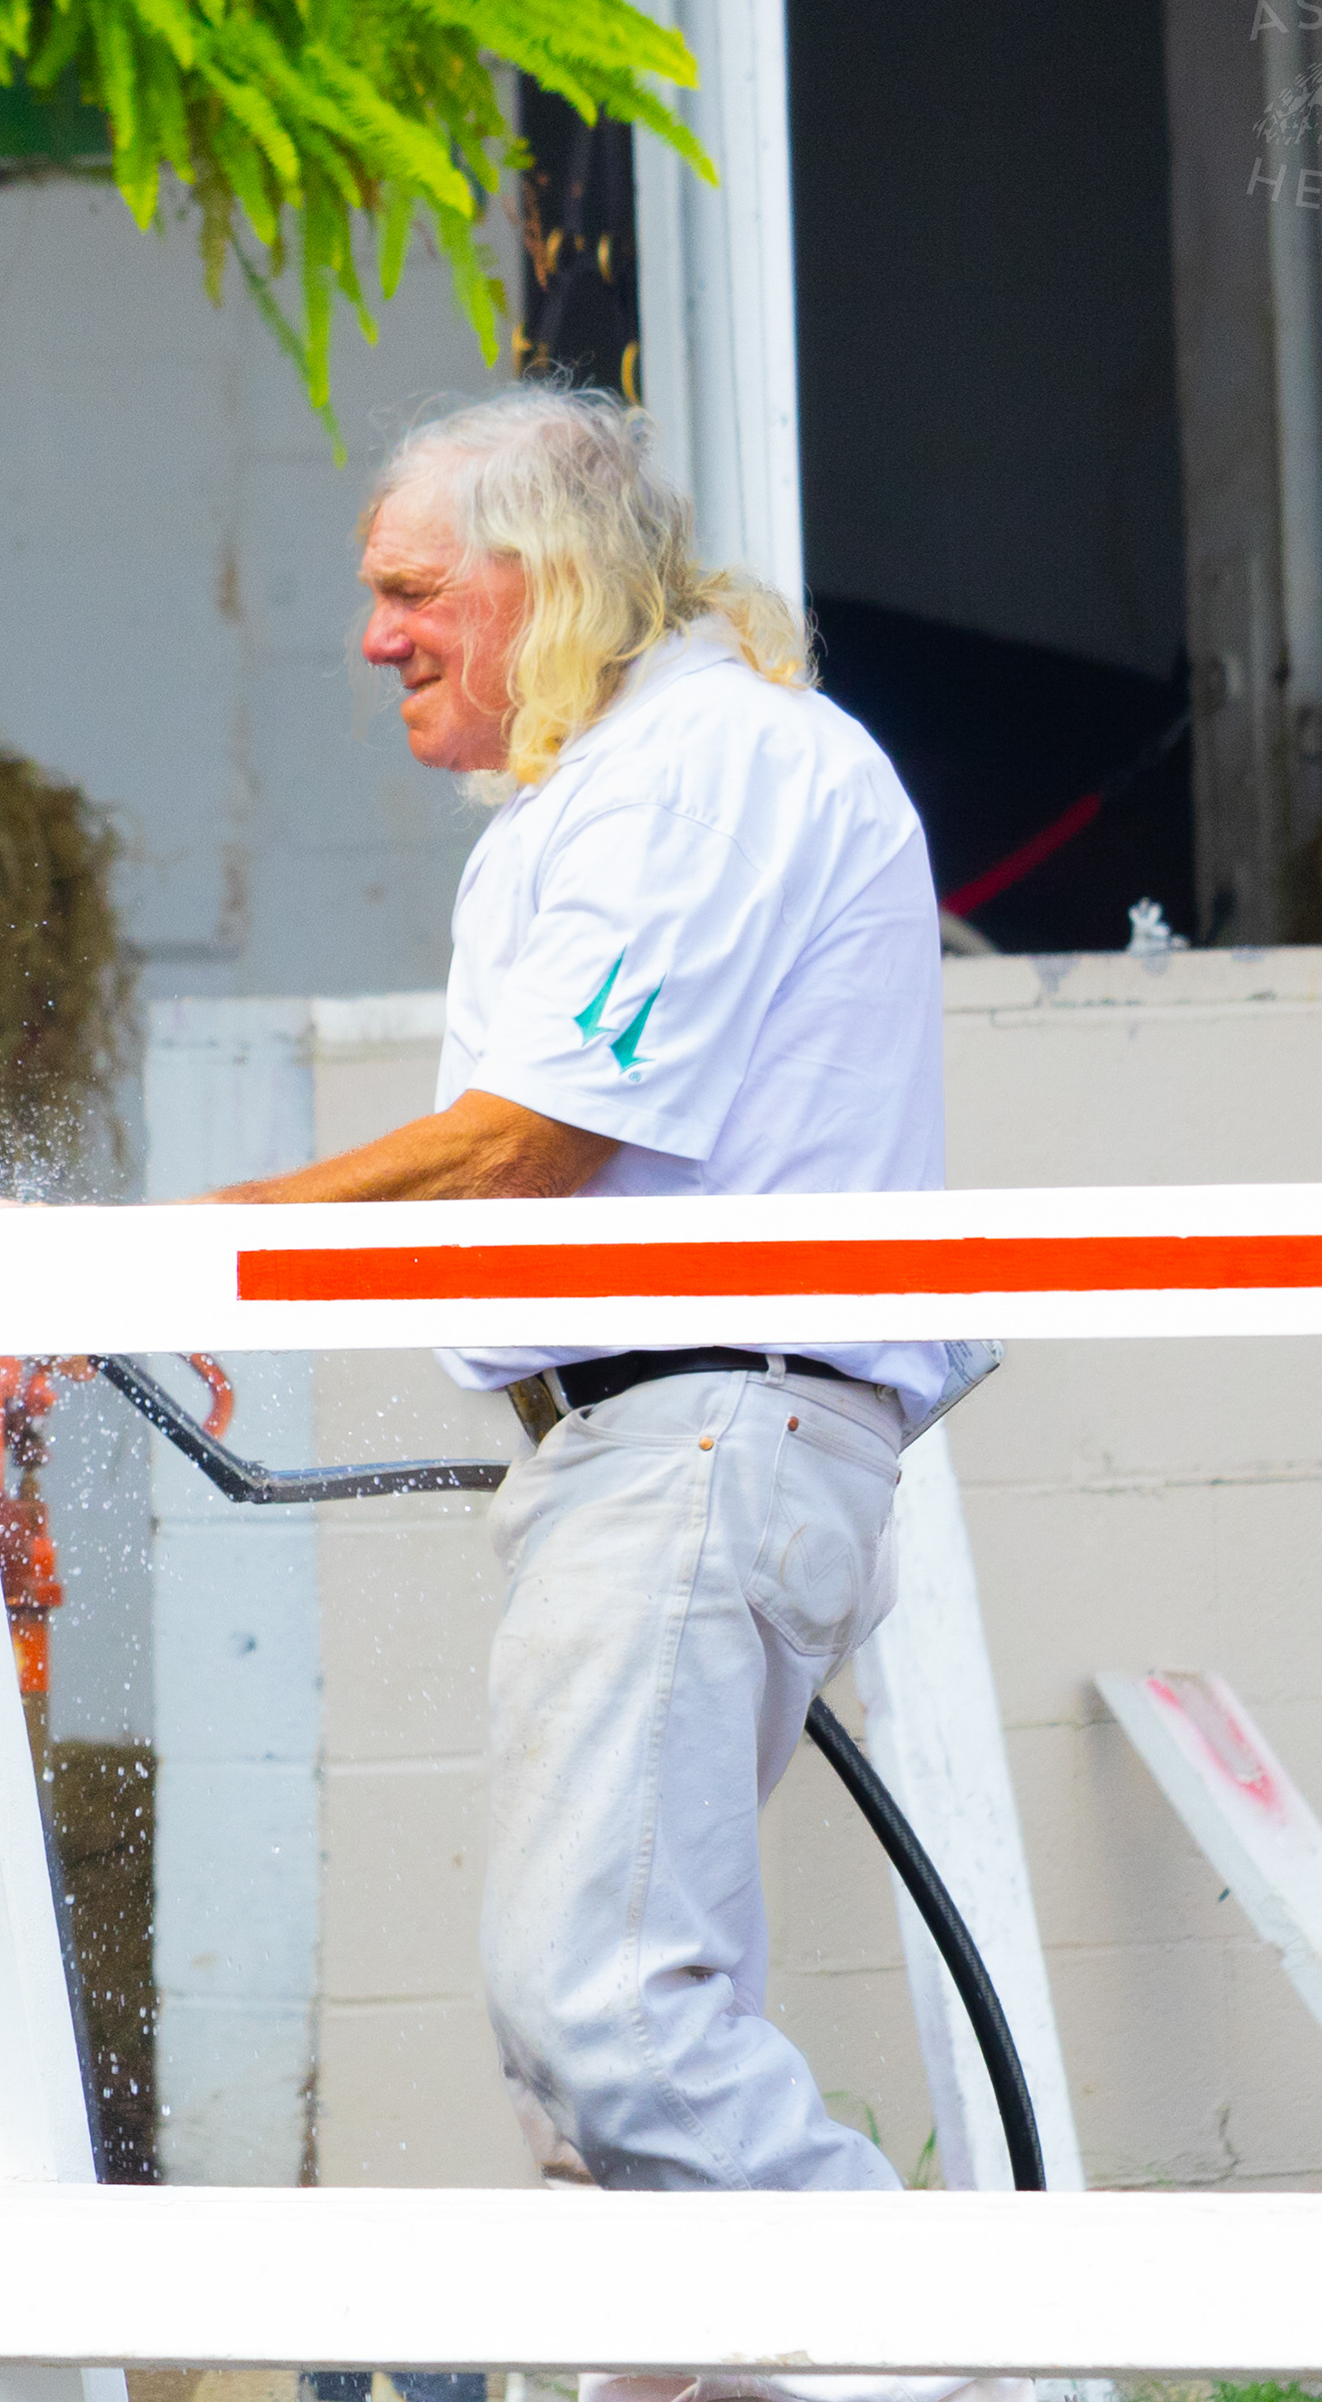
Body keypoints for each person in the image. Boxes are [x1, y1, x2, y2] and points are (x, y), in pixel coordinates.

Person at [203, 387, 1002, 2402]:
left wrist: (197, 1240)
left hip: (703, 1429)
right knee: (605, 2100)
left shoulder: (698, 770)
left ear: (540, 576)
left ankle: (990, 2380)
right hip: (677, 1435)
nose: (377, 635)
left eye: (408, 589)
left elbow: (528, 1145)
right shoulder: (646, 777)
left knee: (606, 2021)